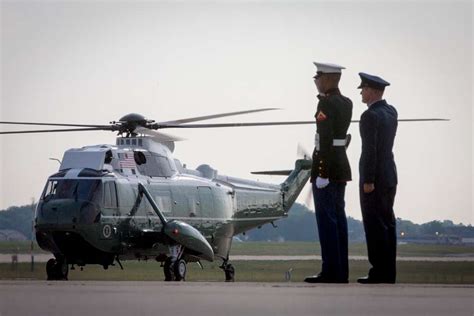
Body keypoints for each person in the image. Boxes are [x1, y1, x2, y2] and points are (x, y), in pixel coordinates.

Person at [304, 62, 352, 283]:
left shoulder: (326, 104)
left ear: (330, 79)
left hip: (328, 169)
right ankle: (341, 271)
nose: (316, 81)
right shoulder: (346, 102)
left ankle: (331, 271)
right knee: (339, 220)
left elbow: (325, 140)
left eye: (319, 77)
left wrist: (322, 172)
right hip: (341, 165)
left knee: (327, 222)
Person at [357, 72, 398, 284]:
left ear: (372, 91)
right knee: (388, 224)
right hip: (390, 175)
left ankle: (379, 271)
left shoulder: (369, 116)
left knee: (374, 226)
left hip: (375, 179)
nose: (361, 93)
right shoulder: (391, 112)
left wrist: (368, 180)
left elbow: (370, 150)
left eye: (363, 89)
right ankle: (389, 271)